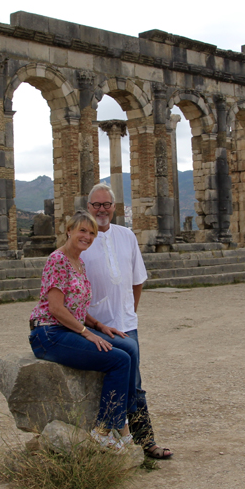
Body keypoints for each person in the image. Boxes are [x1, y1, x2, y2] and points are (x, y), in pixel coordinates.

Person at [28, 210, 140, 450]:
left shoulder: (79, 262)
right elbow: (57, 309)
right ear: (69, 231)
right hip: (49, 334)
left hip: (68, 329)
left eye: (91, 232)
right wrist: (86, 333)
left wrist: (98, 326)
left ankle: (120, 419)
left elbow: (75, 306)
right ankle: (103, 430)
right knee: (118, 360)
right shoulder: (58, 260)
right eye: (82, 230)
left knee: (129, 347)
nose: (87, 236)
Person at [82, 182, 173, 460]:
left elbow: (137, 280)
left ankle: (144, 441)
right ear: (88, 208)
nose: (102, 210)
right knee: (116, 378)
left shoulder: (127, 236)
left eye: (106, 204)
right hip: (96, 325)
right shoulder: (82, 241)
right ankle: (111, 437)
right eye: (96, 205)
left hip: (125, 324)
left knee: (134, 381)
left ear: (114, 207)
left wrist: (130, 311)